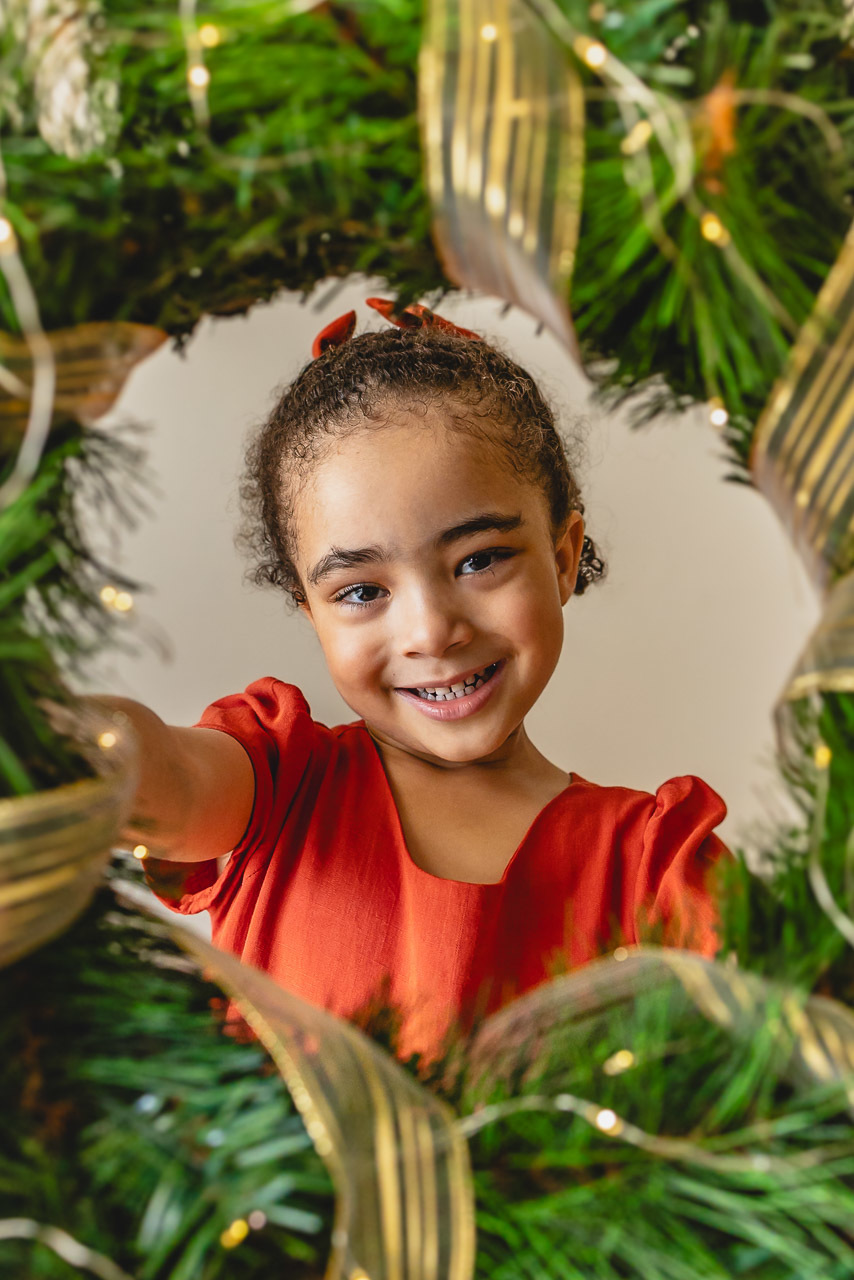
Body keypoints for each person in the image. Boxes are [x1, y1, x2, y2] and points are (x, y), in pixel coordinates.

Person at [111, 298, 728, 1063]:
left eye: (480, 560)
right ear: (311, 613)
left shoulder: (652, 866)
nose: (432, 631)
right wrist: (71, 741)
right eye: (363, 591)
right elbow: (163, 779)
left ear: (564, 556)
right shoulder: (277, 781)